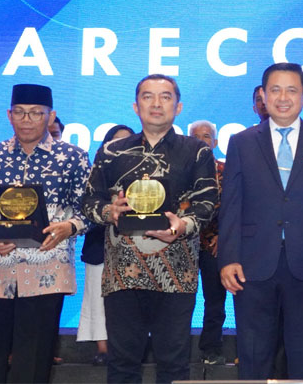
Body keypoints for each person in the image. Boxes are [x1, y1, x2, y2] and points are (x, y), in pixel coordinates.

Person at [82, 74, 218, 383]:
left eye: (165, 96)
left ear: (178, 107)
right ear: (136, 106)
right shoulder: (111, 152)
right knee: (122, 364)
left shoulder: (197, 151)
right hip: (122, 274)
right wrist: (109, 211)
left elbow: (207, 203)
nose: (156, 103)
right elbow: (89, 199)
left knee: (174, 365)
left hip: (177, 275)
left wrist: (183, 225)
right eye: (148, 96)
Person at [218, 62, 303, 379]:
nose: (283, 97)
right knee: (253, 356)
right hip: (251, 264)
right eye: (275, 90)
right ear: (263, 95)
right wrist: (228, 258)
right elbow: (231, 205)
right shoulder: (241, 142)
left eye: (292, 90)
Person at [0, 84, 90, 383]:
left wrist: (69, 227)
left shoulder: (73, 158)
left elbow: (90, 210)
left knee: (33, 366)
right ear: (9, 115)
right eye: (20, 112)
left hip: (46, 272)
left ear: (50, 116)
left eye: (35, 113)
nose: (27, 120)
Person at [76, 124, 134, 366]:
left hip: (134, 246)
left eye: (127, 141)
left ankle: (129, 347)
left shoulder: (145, 177)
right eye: (115, 141)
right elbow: (86, 206)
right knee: (97, 296)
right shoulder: (96, 173)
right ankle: (103, 348)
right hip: (99, 244)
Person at [189, 120, 227, 365]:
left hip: (215, 244)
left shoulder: (226, 170)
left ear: (215, 142)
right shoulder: (181, 170)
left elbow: (236, 206)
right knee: (180, 302)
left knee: (215, 300)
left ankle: (211, 349)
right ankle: (176, 348)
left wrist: (225, 235)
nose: (202, 141)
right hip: (183, 244)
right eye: (197, 137)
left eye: (206, 136)